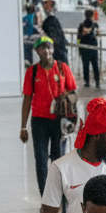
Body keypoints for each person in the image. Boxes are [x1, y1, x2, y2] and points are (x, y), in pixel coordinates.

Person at [20, 35, 77, 196]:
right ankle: (45, 195)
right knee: (41, 157)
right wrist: (23, 126)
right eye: (43, 47)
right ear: (37, 51)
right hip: (39, 121)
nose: (47, 50)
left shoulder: (62, 68)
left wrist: (73, 119)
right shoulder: (33, 72)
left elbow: (72, 94)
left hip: (59, 121)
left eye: (49, 47)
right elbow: (27, 99)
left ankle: (59, 192)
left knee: (58, 158)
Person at [76, 9, 100, 89]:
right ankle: (97, 81)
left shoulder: (81, 25)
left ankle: (87, 82)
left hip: (84, 48)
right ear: (92, 16)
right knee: (95, 65)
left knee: (85, 65)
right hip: (93, 48)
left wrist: (79, 48)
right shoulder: (95, 25)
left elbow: (78, 37)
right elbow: (98, 33)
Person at [41, 0, 69, 64]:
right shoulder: (49, 17)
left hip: (57, 49)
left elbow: (53, 33)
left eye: (46, 3)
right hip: (58, 47)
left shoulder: (51, 18)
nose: (44, 5)